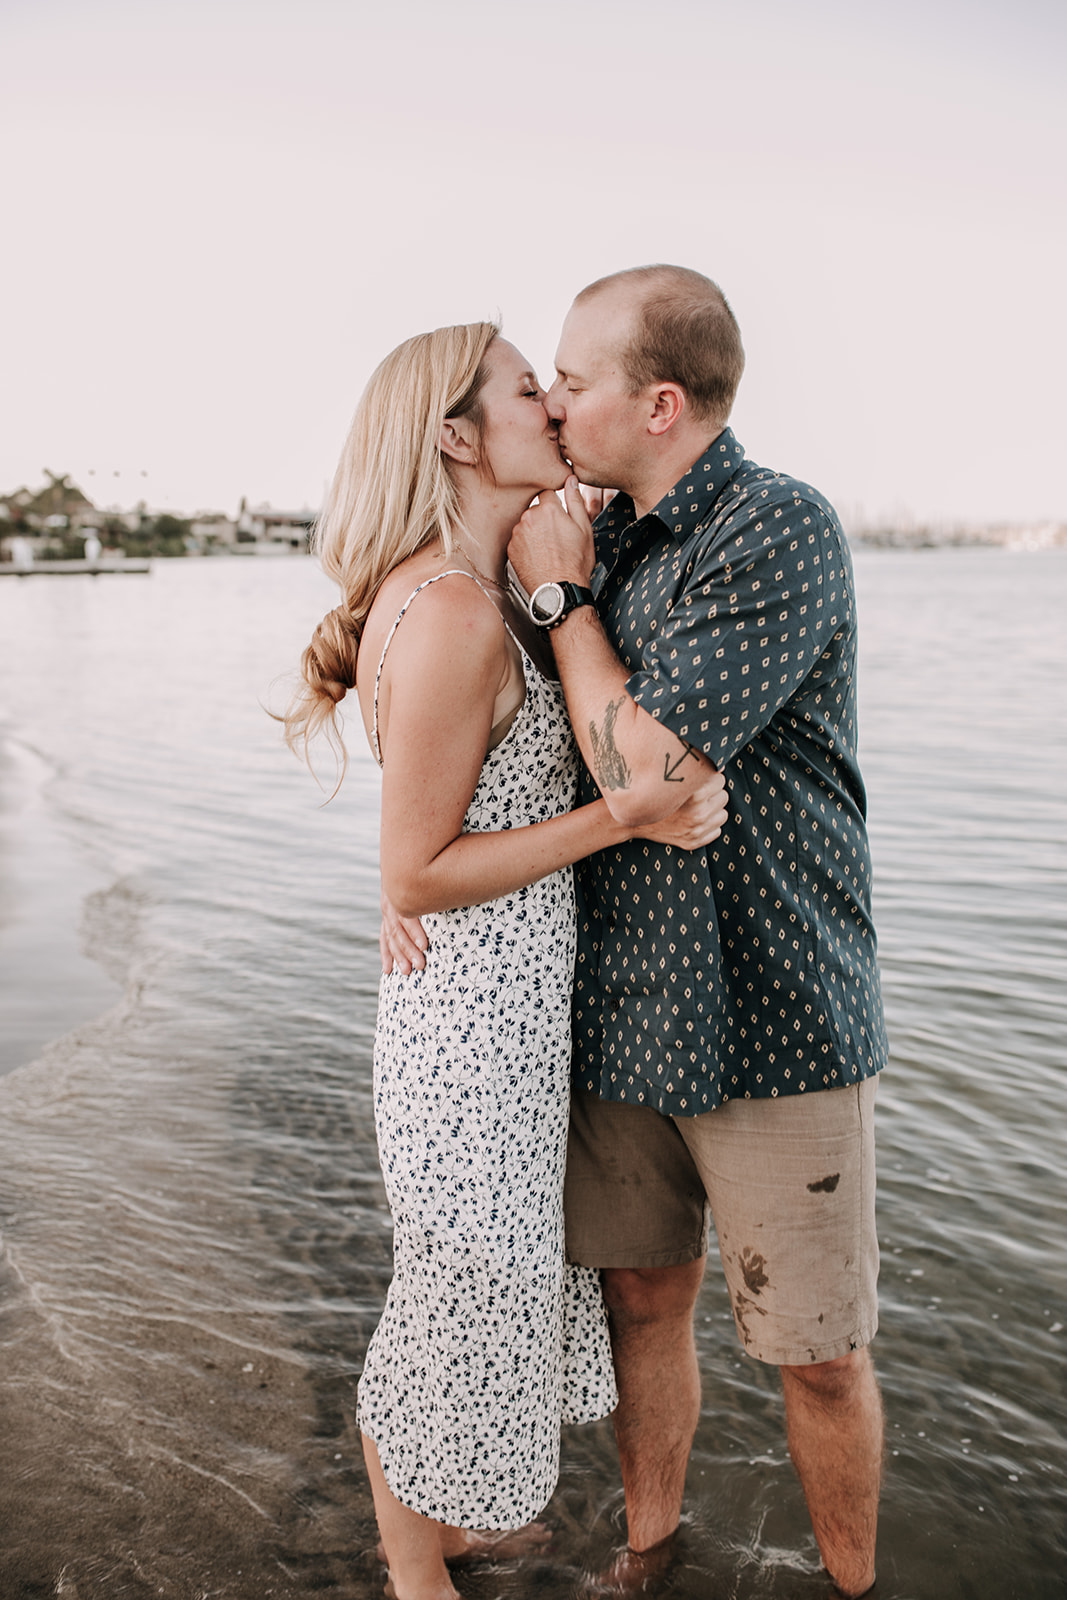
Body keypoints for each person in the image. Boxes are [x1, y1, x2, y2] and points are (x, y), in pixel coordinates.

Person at [283, 320, 729, 1600]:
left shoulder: (485, 596)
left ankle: (445, 1531)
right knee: (449, 1298)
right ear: (455, 434)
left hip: (506, 1022)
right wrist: (623, 814)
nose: (552, 405)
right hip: (468, 1034)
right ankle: (415, 1574)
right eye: (527, 391)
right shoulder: (453, 616)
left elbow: (438, 838)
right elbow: (416, 870)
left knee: (486, 1285)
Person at [500, 265, 890, 1599]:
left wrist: (564, 612)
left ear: (658, 404)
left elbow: (646, 765)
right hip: (618, 1011)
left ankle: (851, 1585)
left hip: (775, 1016)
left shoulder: (776, 528)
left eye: (573, 378)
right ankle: (646, 1554)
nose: (551, 400)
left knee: (818, 1352)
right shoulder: (588, 535)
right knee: (639, 1308)